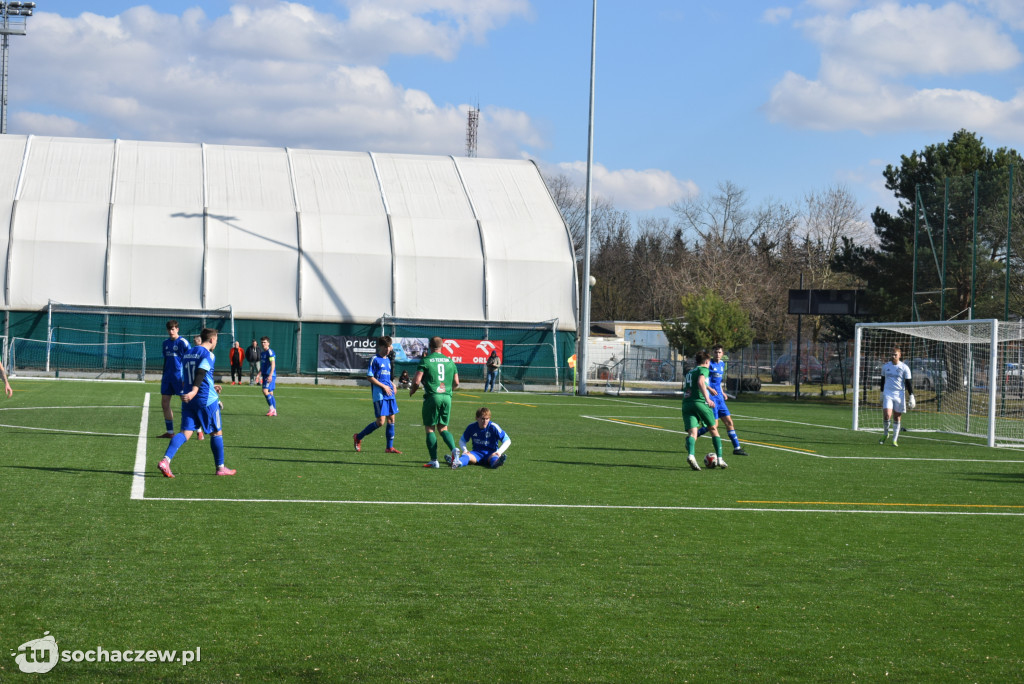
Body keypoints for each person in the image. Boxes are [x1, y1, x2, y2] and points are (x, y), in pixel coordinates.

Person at [157, 328, 236, 478]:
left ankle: (165, 461)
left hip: (188, 399)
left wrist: (203, 387)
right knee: (216, 432)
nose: (216, 343)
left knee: (185, 433)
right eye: (216, 340)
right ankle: (220, 468)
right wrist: (195, 391)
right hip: (205, 399)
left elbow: (187, 375)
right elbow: (200, 372)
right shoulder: (208, 354)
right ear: (212, 340)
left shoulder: (188, 353)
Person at [409, 336, 460, 468]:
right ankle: (454, 450)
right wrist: (448, 391)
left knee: (430, 428)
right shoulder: (450, 361)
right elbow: (456, 382)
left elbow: (416, 381)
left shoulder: (426, 360)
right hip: (447, 397)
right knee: (443, 428)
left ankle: (434, 460)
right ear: (442, 346)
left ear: (430, 347)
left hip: (433, 396)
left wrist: (412, 390)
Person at [353, 336, 402, 454]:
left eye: (389, 347)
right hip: (379, 394)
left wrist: (392, 385)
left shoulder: (388, 360)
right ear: (380, 346)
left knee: (392, 419)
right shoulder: (374, 359)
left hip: (389, 392)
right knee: (380, 422)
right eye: (385, 347)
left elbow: (386, 377)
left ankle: (389, 447)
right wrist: (383, 386)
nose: (388, 349)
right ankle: (358, 437)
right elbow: (370, 377)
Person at [696, 345, 748, 455]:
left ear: (723, 354)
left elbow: (718, 382)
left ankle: (737, 448)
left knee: (729, 422)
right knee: (713, 425)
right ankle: (693, 436)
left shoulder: (722, 364)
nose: (717, 354)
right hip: (712, 398)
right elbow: (702, 380)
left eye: (719, 352)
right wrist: (709, 389)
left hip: (720, 398)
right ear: (712, 353)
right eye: (715, 352)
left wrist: (722, 392)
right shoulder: (708, 364)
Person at [682, 351, 725, 470]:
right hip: (700, 403)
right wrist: (707, 398)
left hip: (687, 403)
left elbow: (699, 383)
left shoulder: (691, 372)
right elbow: (700, 381)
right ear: (706, 361)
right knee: (713, 428)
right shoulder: (704, 369)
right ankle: (720, 459)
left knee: (692, 433)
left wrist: (709, 388)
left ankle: (691, 455)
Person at [158, 320, 190, 439]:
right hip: (167, 377)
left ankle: (197, 430)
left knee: (187, 403)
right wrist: (164, 375)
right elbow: (166, 360)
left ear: (177, 329)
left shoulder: (183, 342)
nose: (171, 331)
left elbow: (190, 359)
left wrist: (186, 378)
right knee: (164, 403)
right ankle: (170, 432)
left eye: (173, 329)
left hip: (179, 378)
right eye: (169, 329)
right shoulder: (165, 343)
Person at [879, 346, 914, 446]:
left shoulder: (904, 367)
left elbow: (908, 383)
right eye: (892, 354)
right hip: (888, 393)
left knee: (897, 417)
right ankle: (886, 433)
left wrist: (911, 396)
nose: (893, 356)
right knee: (887, 414)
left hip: (899, 395)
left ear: (900, 355)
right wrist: (881, 392)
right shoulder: (886, 366)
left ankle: (894, 439)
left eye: (895, 355)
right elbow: (882, 380)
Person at [259, 336, 277, 416]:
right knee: (270, 392)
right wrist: (258, 374)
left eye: (265, 342)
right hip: (265, 375)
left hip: (269, 375)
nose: (263, 344)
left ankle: (272, 409)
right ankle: (274, 411)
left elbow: (273, 364)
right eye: (262, 342)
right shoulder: (262, 353)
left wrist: (270, 375)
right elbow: (263, 365)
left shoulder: (270, 352)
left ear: (268, 343)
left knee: (265, 391)